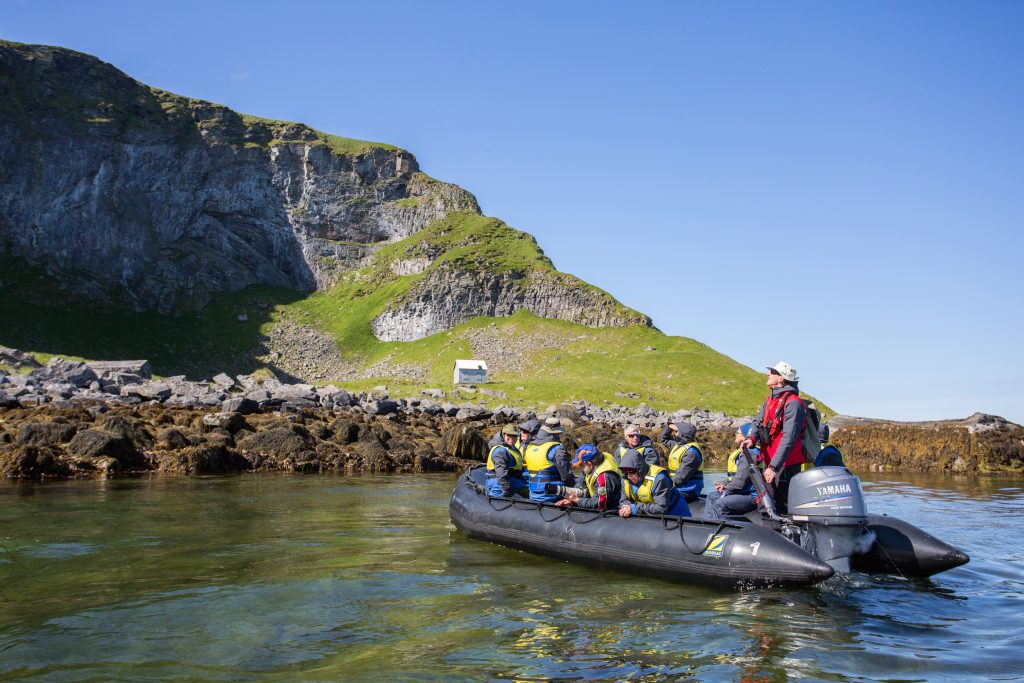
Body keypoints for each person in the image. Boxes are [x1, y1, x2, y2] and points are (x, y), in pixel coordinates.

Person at [742, 361, 809, 514]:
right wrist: (751, 438)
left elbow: (789, 438)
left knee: (781, 506)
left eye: (772, 372)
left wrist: (773, 467)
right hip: (771, 463)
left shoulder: (793, 403)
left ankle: (786, 535)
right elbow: (757, 421)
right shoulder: (770, 399)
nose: (768, 374)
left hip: (785, 466)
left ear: (781, 378)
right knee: (766, 505)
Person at [704, 423, 762, 520]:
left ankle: (723, 532)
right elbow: (737, 476)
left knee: (720, 503)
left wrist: (726, 489)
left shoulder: (750, 454)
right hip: (743, 492)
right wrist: (725, 483)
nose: (735, 434)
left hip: (752, 496)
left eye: (737, 432)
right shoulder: (744, 452)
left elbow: (740, 482)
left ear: (744, 437)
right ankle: (709, 526)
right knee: (711, 496)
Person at [617, 448, 691, 517]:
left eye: (632, 472)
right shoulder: (626, 479)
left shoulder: (659, 479)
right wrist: (626, 506)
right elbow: (623, 500)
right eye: (625, 472)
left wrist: (634, 508)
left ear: (639, 469)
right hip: (649, 512)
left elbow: (661, 508)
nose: (629, 476)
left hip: (675, 513)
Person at [524, 417, 576, 503]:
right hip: (552, 496)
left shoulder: (529, 447)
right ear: (556, 433)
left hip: (533, 494)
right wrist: (574, 488)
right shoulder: (557, 449)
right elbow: (566, 476)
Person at [556, 444, 622, 511]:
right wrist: (571, 500)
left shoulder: (604, 476)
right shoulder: (595, 461)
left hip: (613, 508)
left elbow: (600, 503)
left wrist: (578, 500)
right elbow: (581, 482)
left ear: (589, 463)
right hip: (597, 499)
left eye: (581, 465)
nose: (580, 468)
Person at [660, 420, 704, 502]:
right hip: (679, 487)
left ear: (682, 434)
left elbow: (680, 477)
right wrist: (669, 427)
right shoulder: (678, 445)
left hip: (689, 489)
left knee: (659, 496)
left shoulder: (692, 452)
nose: (674, 433)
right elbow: (663, 439)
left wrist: (663, 485)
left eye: (676, 431)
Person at [485, 424, 528, 497]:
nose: (512, 438)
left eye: (514, 435)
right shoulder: (500, 451)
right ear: (503, 434)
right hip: (498, 483)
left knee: (527, 489)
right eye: (509, 435)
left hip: (512, 479)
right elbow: (501, 474)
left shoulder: (511, 448)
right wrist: (507, 490)